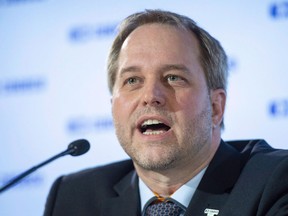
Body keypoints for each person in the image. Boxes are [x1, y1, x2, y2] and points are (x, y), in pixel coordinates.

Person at [44, 9, 288, 216]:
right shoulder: (73, 197)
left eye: (173, 77)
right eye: (132, 80)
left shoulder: (275, 182)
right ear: (113, 106)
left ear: (215, 107)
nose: (150, 96)